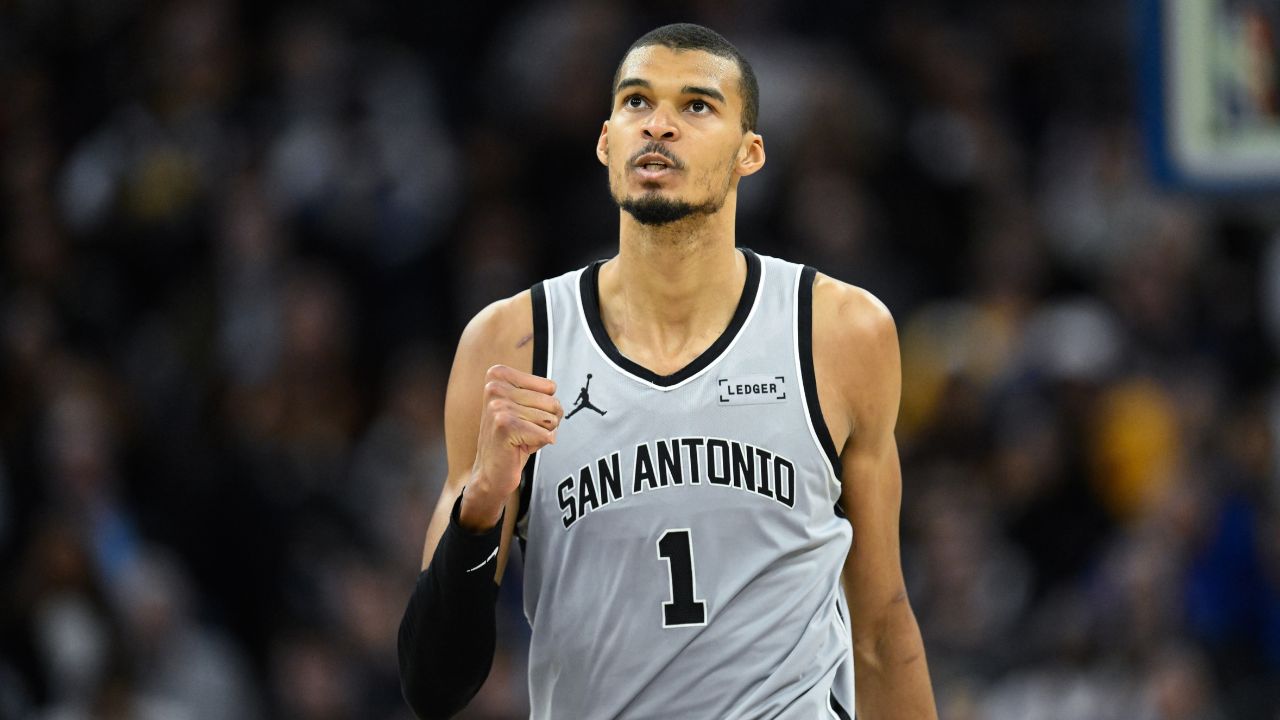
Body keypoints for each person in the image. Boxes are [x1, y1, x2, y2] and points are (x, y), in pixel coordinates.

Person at [397, 23, 938, 719]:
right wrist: (480, 509)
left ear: (751, 153)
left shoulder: (837, 330)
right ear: (605, 142)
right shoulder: (514, 342)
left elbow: (882, 625)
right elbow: (432, 686)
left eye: (697, 106)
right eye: (636, 103)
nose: (660, 125)